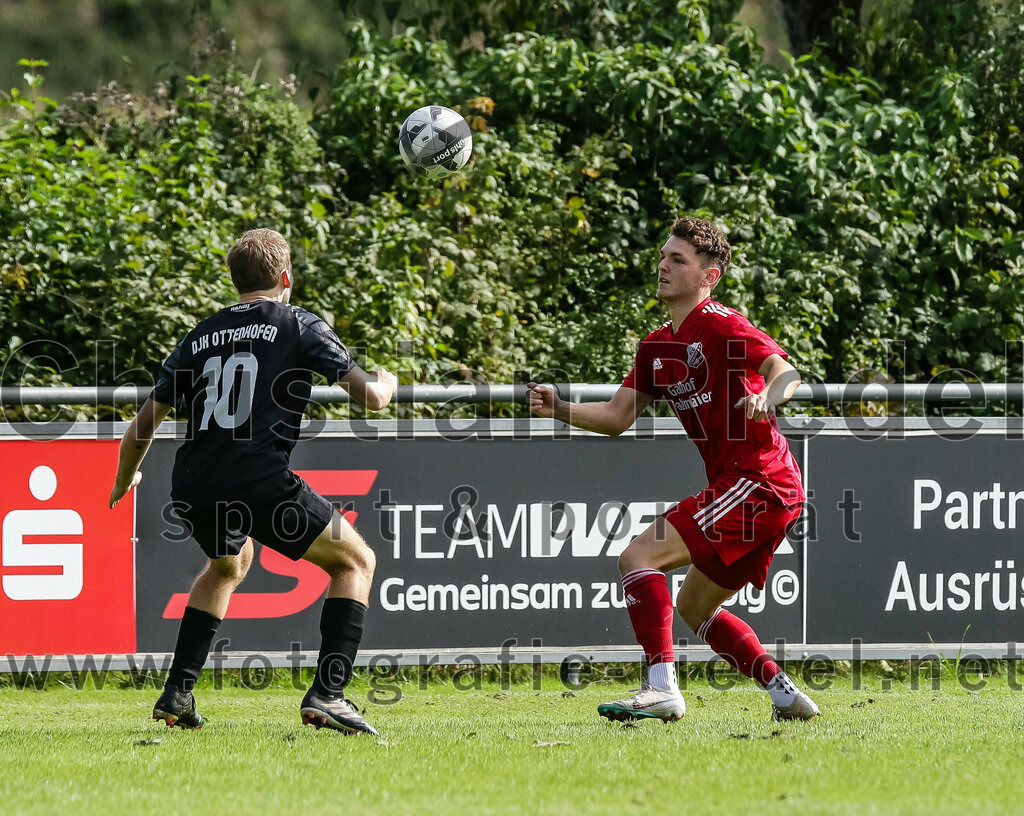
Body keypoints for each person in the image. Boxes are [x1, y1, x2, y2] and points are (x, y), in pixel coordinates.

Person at [527, 216, 819, 722]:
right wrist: (560, 409)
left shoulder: (723, 325)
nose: (662, 266)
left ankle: (661, 689)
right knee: (693, 608)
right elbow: (618, 416)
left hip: (760, 482)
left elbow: (783, 370)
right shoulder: (657, 346)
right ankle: (785, 694)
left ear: (710, 276)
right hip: (754, 489)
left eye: (677, 260)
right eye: (663, 256)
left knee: (638, 556)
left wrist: (769, 397)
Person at [109, 228, 396, 736]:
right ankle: (329, 694)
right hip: (258, 480)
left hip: (194, 482)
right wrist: (388, 382)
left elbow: (142, 426)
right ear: (286, 278)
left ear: (235, 280)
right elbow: (371, 399)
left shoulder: (199, 335)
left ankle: (177, 693)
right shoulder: (300, 323)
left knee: (229, 563)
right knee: (356, 561)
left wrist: (125, 479)